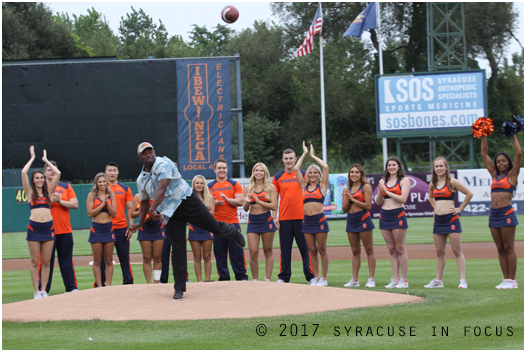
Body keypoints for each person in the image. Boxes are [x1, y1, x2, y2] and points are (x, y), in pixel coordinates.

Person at [127, 143, 245, 300]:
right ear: (139, 157)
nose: (148, 154)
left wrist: (152, 209)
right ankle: (179, 288)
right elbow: (143, 201)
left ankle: (232, 231)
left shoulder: (164, 163)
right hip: (170, 213)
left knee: (214, 227)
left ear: (154, 152)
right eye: (144, 153)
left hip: (187, 201)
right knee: (177, 249)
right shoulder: (141, 180)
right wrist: (140, 223)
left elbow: (162, 189)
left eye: (151, 151)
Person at [425, 157, 473, 289]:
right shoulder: (432, 184)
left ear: (446, 167)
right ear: (434, 169)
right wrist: (435, 207)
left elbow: (469, 194)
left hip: (451, 219)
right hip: (438, 220)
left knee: (457, 251)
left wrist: (460, 208)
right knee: (440, 252)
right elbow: (430, 196)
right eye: (436, 166)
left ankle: (463, 280)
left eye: (441, 166)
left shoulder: (452, 182)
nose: (439, 168)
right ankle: (438, 281)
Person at [481, 134, 522, 289]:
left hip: (507, 214)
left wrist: (513, 135)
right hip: (493, 215)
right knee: (499, 248)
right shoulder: (494, 175)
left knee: (509, 247)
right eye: (498, 162)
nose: (501, 164)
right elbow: (484, 154)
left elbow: (519, 154)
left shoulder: (512, 175)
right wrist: (483, 136)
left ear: (508, 162)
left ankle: (512, 280)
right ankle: (505, 279)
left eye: (503, 161)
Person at [22, 146, 61, 299]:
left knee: (46, 261)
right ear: (33, 180)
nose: (39, 180)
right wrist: (32, 158)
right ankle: (36, 290)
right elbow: (23, 172)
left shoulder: (49, 192)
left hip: (48, 228)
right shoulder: (29, 193)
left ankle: (44, 289)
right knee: (34, 261)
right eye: (37, 178)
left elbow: (57, 173)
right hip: (34, 228)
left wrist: (45, 160)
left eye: (41, 177)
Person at [272, 148, 315, 284]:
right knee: (285, 250)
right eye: (286, 158)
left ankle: (311, 276)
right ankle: (284, 277)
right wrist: (274, 216)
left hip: (302, 218)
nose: (289, 161)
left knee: (305, 249)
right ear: (283, 160)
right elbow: (274, 198)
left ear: (295, 159)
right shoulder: (277, 177)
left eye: (291, 158)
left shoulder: (304, 174)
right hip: (284, 219)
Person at [38, 160, 79, 294]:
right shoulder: (40, 188)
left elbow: (75, 204)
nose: (51, 170)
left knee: (66, 261)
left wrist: (60, 201)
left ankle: (71, 287)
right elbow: (37, 207)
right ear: (44, 172)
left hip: (64, 230)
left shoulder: (66, 187)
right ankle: (43, 290)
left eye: (53, 168)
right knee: (46, 262)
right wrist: (51, 201)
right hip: (47, 231)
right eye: (48, 168)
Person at [294, 142, 330, 286]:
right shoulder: (304, 186)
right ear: (307, 175)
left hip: (319, 220)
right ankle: (315, 277)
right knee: (312, 250)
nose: (313, 174)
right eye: (311, 173)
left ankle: (324, 278)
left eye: (315, 172)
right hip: (307, 221)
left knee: (322, 250)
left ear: (319, 175)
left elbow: (326, 167)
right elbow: (296, 168)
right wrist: (304, 154)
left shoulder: (322, 186)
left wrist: (313, 156)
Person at [208, 159, 248, 281]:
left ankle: (241, 278)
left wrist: (227, 200)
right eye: (219, 168)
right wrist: (215, 203)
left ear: (227, 169)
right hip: (217, 224)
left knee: (237, 252)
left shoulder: (234, 184)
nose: (221, 170)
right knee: (220, 253)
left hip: (233, 223)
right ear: (214, 169)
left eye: (224, 168)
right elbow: (206, 205)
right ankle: (224, 278)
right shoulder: (209, 186)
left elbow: (240, 201)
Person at [375, 156, 411, 289]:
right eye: (389, 165)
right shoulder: (383, 181)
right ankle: (395, 279)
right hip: (385, 215)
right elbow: (378, 202)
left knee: (400, 249)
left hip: (398, 215)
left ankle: (404, 280)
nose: (391, 167)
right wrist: (380, 190)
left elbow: (403, 199)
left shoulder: (404, 180)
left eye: (394, 165)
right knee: (391, 249)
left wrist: (387, 191)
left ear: (398, 167)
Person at [98, 162, 134, 286]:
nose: (112, 173)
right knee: (103, 259)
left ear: (118, 172)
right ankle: (100, 284)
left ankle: (128, 282)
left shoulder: (125, 188)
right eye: (110, 170)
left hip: (121, 228)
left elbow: (130, 208)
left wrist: (131, 226)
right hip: (105, 228)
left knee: (124, 258)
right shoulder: (100, 189)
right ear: (105, 172)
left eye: (114, 170)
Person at [342, 164, 376, 288]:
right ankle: (354, 279)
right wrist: (348, 199)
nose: (354, 174)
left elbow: (368, 206)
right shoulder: (347, 189)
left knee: (369, 250)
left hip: (363, 219)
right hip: (351, 220)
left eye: (357, 172)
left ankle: (371, 278)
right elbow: (344, 209)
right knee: (355, 251)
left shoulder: (365, 187)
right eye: (352, 172)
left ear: (361, 174)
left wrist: (353, 199)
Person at [243, 163, 278, 282]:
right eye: (256, 170)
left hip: (266, 220)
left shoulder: (270, 187)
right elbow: (246, 208)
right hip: (253, 221)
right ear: (253, 172)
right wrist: (248, 202)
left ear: (265, 173)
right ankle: (255, 280)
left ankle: (267, 279)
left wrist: (258, 201)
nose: (258, 173)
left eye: (261, 171)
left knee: (268, 250)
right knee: (253, 252)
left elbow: (273, 206)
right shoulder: (248, 188)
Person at [87, 173, 117, 287]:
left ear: (107, 182)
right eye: (100, 182)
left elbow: (114, 214)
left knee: (109, 260)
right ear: (96, 183)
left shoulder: (111, 195)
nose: (102, 184)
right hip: (97, 229)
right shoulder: (92, 195)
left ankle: (108, 285)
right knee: (97, 260)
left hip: (108, 228)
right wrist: (101, 205)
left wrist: (107, 203)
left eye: (104, 181)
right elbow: (90, 214)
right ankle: (99, 286)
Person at [131, 194, 165, 283]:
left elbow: (167, 210)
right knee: (146, 258)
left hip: (158, 228)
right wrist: (143, 211)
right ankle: (149, 283)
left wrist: (161, 214)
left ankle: (156, 282)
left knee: (157, 257)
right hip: (144, 228)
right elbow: (132, 214)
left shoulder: (160, 194)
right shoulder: (138, 196)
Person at [188, 175, 215, 282]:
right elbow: (188, 214)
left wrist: (198, 213)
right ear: (193, 185)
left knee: (207, 256)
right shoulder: (189, 197)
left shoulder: (210, 198)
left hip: (207, 229)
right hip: (194, 230)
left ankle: (207, 280)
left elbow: (212, 214)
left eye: (201, 183)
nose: (199, 185)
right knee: (197, 256)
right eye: (197, 183)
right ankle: (199, 281)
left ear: (205, 185)